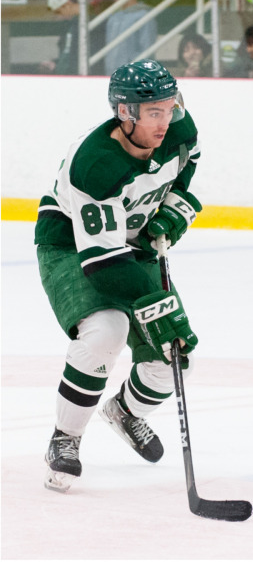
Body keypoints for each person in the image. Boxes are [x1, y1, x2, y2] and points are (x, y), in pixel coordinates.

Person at [37, 59, 202, 493]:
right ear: (125, 113)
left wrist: (174, 210)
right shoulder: (94, 166)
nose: (166, 120)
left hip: (133, 242)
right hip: (75, 247)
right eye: (154, 112)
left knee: (171, 357)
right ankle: (65, 437)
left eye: (170, 107)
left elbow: (187, 167)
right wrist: (156, 304)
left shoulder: (180, 130)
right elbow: (104, 264)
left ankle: (126, 412)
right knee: (107, 331)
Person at [103, 0, 157, 75]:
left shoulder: (144, 16)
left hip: (133, 77)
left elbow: (147, 50)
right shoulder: (114, 17)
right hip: (112, 74)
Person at [40, 0, 80, 75]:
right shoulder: (69, 26)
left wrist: (56, 68)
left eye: (56, 10)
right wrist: (55, 64)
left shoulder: (76, 26)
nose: (55, 15)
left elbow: (71, 59)